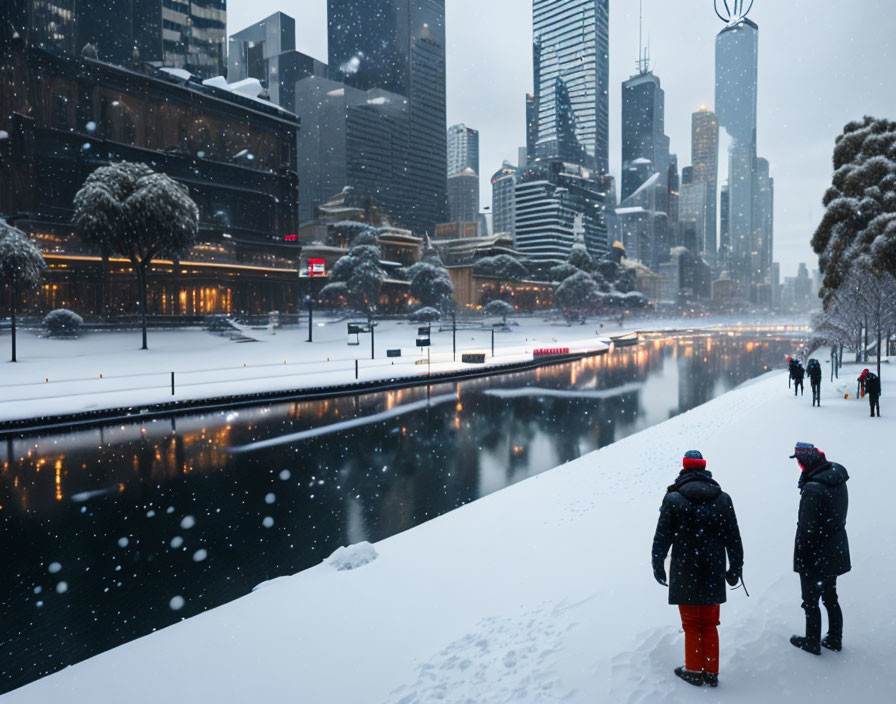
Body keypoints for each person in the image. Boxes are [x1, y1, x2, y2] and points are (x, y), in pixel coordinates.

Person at [652, 451, 744, 688]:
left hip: (685, 568)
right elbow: (733, 537)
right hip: (713, 568)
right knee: (710, 623)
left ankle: (694, 670)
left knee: (692, 624)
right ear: (704, 470)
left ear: (684, 468)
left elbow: (662, 536)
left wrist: (658, 564)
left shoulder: (673, 499)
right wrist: (736, 566)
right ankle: (711, 671)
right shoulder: (722, 498)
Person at [789, 443, 850, 655]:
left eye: (798, 461)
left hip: (816, 553)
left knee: (810, 600)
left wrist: (803, 557)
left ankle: (812, 642)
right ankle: (835, 638)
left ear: (805, 462)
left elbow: (807, 527)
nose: (798, 465)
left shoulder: (813, 488)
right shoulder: (835, 476)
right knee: (830, 596)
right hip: (835, 548)